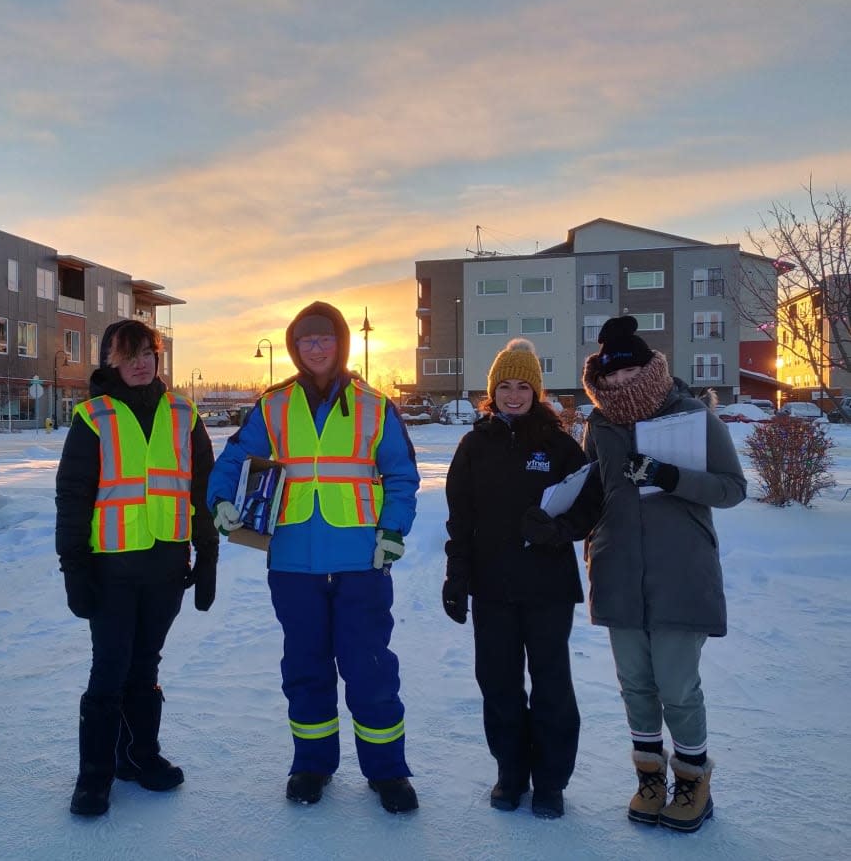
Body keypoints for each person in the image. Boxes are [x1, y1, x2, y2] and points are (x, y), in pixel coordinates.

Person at [207, 301, 421, 814]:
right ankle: (312, 764)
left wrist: (393, 530)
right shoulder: (273, 404)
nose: (317, 347)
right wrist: (219, 500)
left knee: (369, 667)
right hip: (292, 560)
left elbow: (401, 474)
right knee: (305, 666)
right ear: (294, 347)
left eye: (325, 338)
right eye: (306, 340)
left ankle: (387, 772)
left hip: (360, 560)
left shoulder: (375, 405)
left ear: (341, 344)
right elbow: (235, 457)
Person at [579, 315, 745, 833]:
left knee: (677, 686)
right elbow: (592, 494)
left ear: (649, 370)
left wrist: (669, 476)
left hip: (680, 573)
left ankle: (692, 780)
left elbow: (732, 488)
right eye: (610, 380)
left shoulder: (695, 417)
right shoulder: (599, 427)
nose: (619, 388)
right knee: (636, 686)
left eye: (629, 377)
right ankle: (649, 777)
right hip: (618, 571)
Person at [55, 319, 219, 817]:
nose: (142, 362)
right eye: (129, 356)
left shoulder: (184, 414)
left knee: (145, 668)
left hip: (166, 564)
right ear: (110, 362)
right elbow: (73, 499)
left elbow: (203, 491)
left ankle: (140, 757)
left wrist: (207, 554)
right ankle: (94, 777)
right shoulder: (92, 418)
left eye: (148, 352)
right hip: (111, 569)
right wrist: (74, 570)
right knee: (109, 669)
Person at [443, 338, 589, 819]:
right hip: (494, 589)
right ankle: (510, 773)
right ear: (491, 391)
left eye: (522, 385)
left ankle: (550, 781)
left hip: (548, 589)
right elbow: (460, 519)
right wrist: (456, 577)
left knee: (551, 685)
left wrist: (558, 531)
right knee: (499, 683)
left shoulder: (559, 444)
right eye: (504, 385)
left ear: (536, 390)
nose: (512, 394)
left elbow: (591, 506)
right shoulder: (474, 445)